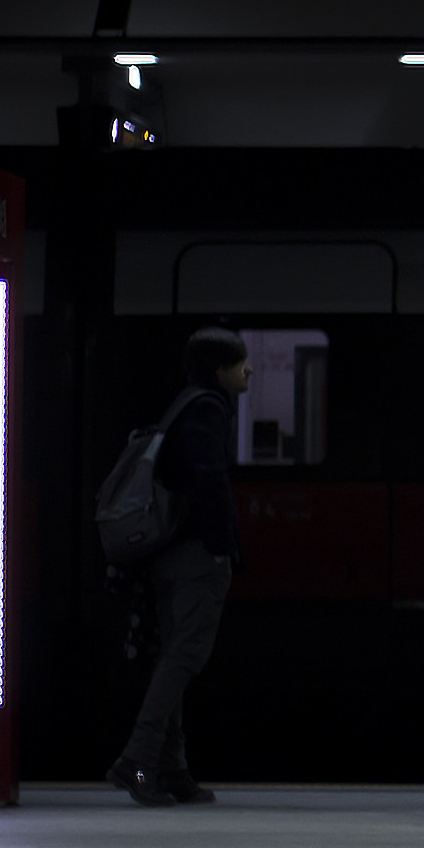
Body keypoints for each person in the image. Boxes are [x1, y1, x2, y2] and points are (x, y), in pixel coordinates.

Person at [109, 325, 247, 807]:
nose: (247, 369)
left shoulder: (184, 404)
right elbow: (210, 481)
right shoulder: (209, 409)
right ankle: (137, 759)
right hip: (195, 555)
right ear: (220, 370)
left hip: (168, 552)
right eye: (239, 363)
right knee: (185, 656)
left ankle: (172, 768)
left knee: (173, 654)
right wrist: (219, 546)